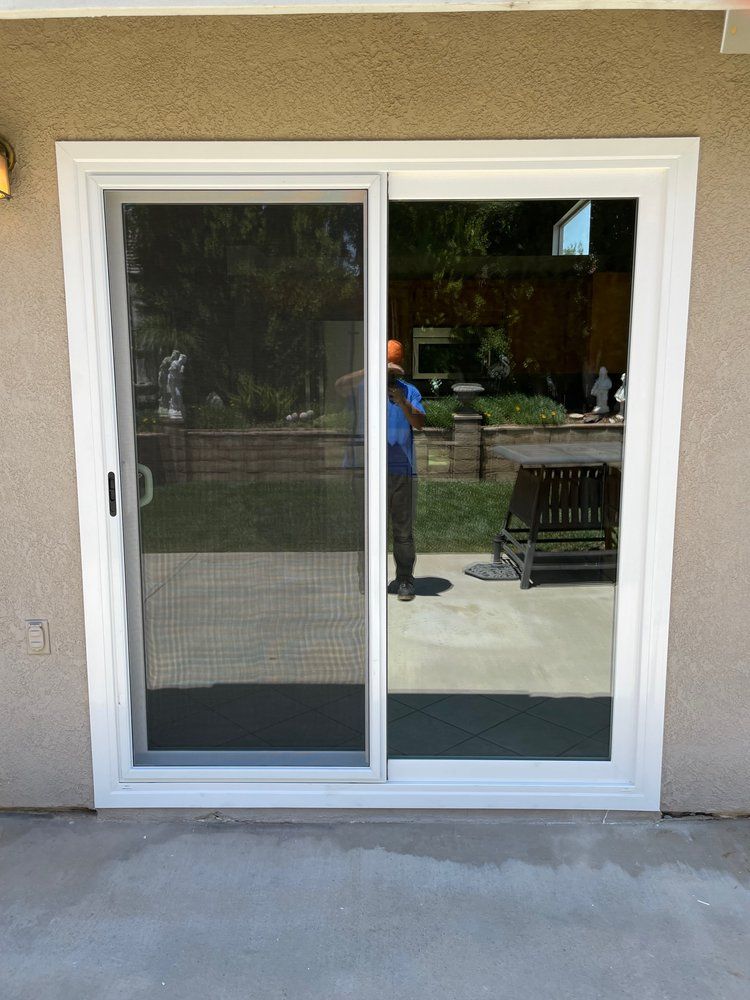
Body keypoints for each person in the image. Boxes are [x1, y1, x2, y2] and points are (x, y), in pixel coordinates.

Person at [335, 339, 425, 601]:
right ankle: (368, 580)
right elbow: (339, 387)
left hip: (400, 469)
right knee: (367, 527)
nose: (388, 377)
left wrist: (401, 402)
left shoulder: (408, 391)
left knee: (402, 529)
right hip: (364, 467)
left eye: (392, 372)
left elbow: (419, 423)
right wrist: (370, 369)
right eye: (385, 371)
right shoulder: (363, 388)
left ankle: (405, 579)